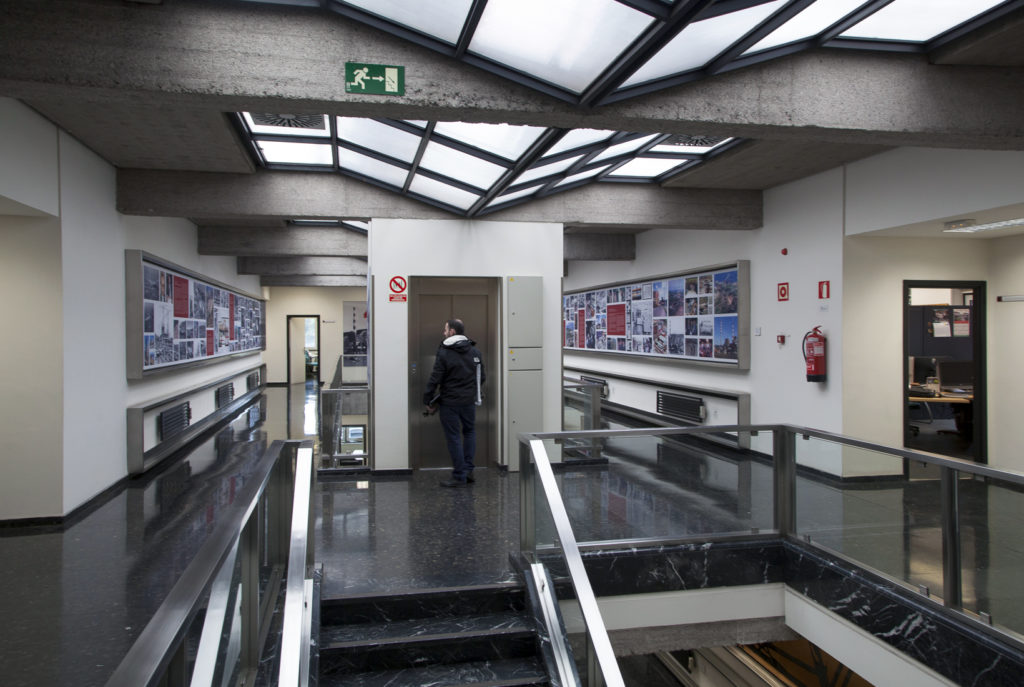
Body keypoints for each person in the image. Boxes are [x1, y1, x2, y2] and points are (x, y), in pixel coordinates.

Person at [423, 319, 485, 487]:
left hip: (450, 402)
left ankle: (459, 475)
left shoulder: (444, 352)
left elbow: (435, 378)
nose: (444, 333)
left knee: (454, 437)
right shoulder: (475, 352)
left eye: (445, 330)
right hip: (469, 402)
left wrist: (427, 399)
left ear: (452, 332)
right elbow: (482, 378)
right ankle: (469, 471)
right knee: (470, 433)